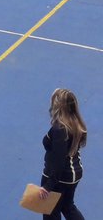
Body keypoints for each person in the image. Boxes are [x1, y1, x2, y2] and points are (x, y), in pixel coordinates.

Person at [37, 88, 87, 220]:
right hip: (73, 173)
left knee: (50, 211)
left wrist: (48, 186)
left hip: (59, 176)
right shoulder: (76, 123)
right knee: (67, 206)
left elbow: (59, 161)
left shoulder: (60, 130)